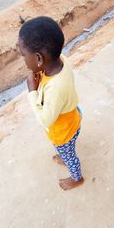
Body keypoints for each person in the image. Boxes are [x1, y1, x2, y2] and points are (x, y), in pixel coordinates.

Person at [18, 16, 84, 190]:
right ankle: (64, 155)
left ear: (39, 58)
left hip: (64, 131)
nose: (23, 60)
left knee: (70, 156)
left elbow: (45, 120)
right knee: (65, 150)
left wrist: (32, 91)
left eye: (24, 56)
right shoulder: (60, 60)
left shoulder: (55, 88)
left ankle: (77, 178)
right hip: (72, 116)